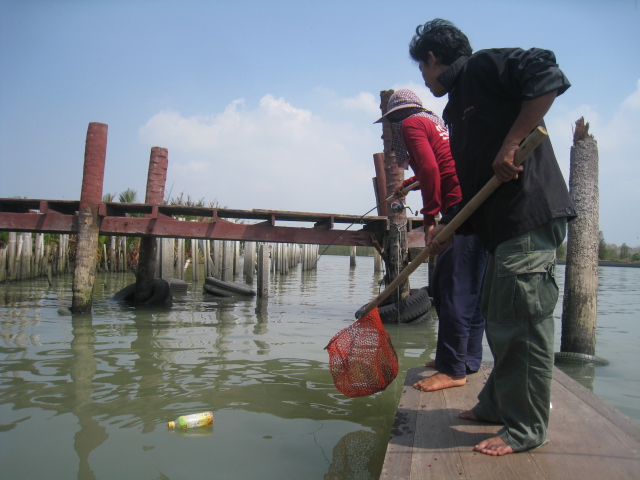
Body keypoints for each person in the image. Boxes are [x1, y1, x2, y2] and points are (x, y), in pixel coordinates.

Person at [408, 19, 576, 456]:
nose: (424, 81)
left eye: (422, 71)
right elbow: (478, 182)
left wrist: (512, 141)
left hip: (527, 216)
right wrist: (451, 230)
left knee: (521, 325)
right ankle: (498, 404)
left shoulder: (481, 67)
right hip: (497, 227)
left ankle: (526, 427)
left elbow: (546, 72)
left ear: (432, 58)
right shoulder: (458, 105)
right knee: (501, 320)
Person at [375, 88, 489, 392]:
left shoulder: (411, 124)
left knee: (450, 286)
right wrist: (408, 186)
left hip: (459, 208)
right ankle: (465, 359)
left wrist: (429, 220)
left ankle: (453, 369)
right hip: (475, 203)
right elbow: (440, 164)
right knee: (469, 286)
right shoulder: (433, 122)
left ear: (395, 118)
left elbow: (429, 169)